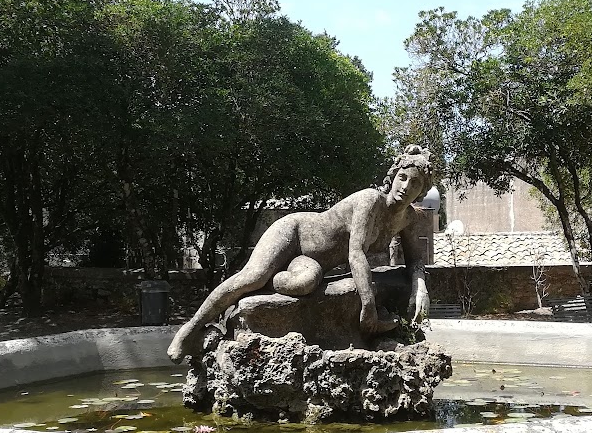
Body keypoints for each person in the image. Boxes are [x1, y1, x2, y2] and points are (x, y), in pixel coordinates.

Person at [167, 144, 433, 363]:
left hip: (309, 263)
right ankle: (190, 329)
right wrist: (368, 308)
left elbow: (415, 260)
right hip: (296, 233)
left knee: (305, 282)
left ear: (422, 191)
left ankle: (278, 281)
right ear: (393, 176)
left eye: (415, 184)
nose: (406, 187)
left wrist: (419, 288)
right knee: (254, 276)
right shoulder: (370, 200)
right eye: (403, 177)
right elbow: (356, 254)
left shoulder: (407, 219)